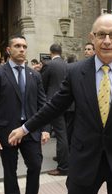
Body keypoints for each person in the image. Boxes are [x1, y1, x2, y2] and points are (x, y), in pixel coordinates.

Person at [8, 14, 112, 194]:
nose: (107, 41)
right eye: (101, 35)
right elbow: (54, 106)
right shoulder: (75, 72)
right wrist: (25, 128)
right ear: (92, 37)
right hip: (84, 161)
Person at [0, 35, 50, 194]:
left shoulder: (34, 75)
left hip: (31, 131)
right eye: (17, 46)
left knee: (35, 165)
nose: (21, 50)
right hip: (7, 131)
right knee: (10, 170)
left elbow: (43, 105)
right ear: (8, 50)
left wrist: (45, 129)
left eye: (24, 47)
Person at [41, 43, 69, 176]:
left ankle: (63, 167)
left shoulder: (49, 65)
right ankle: (61, 158)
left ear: (51, 52)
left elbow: (42, 84)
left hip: (54, 103)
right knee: (64, 134)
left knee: (61, 135)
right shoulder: (67, 65)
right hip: (68, 104)